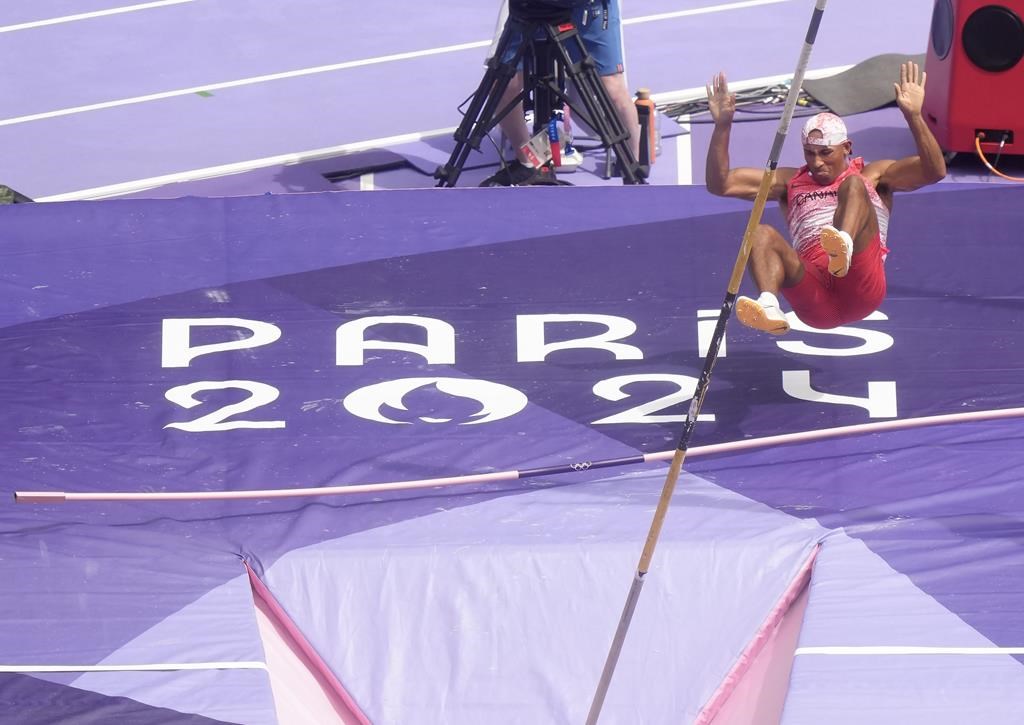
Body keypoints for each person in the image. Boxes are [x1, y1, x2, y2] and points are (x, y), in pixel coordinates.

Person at [704, 61, 947, 334]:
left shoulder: (874, 175)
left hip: (860, 287)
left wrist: (914, 116)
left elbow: (934, 171)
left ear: (846, 148)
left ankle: (843, 244)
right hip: (816, 298)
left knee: (854, 185)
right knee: (760, 232)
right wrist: (722, 126)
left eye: (825, 153)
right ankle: (770, 305)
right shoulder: (789, 182)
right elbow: (720, 184)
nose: (817, 162)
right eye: (810, 152)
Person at [480, 0, 640, 186]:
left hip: (586, 7)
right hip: (530, 7)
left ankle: (631, 165)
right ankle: (528, 162)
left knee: (611, 87)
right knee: (502, 84)